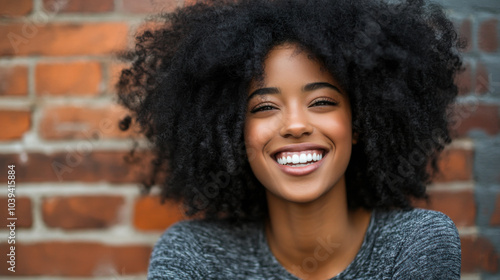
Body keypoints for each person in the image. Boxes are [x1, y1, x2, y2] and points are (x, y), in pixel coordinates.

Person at [117, 0, 464, 279]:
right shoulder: (193, 254)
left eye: (322, 102)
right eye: (265, 106)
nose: (295, 125)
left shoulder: (415, 243)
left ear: (360, 123)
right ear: (233, 131)